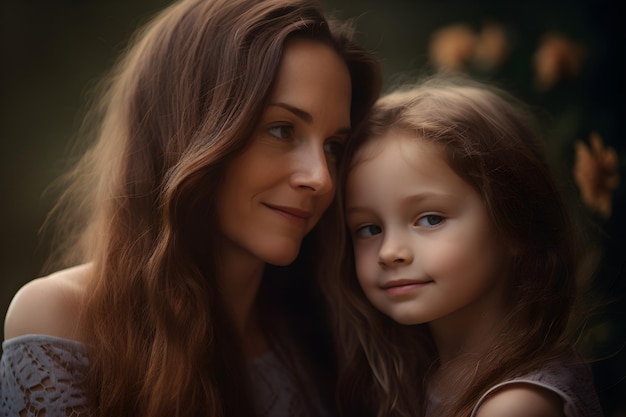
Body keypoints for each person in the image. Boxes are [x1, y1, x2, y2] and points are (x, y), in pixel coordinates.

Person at [0, 0, 381, 415]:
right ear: (189, 131)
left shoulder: (332, 327)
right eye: (281, 129)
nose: (321, 177)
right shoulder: (64, 320)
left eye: (334, 146)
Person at [326, 75, 603, 417]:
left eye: (430, 219)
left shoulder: (515, 406)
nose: (389, 252)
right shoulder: (417, 378)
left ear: (515, 224)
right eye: (369, 228)